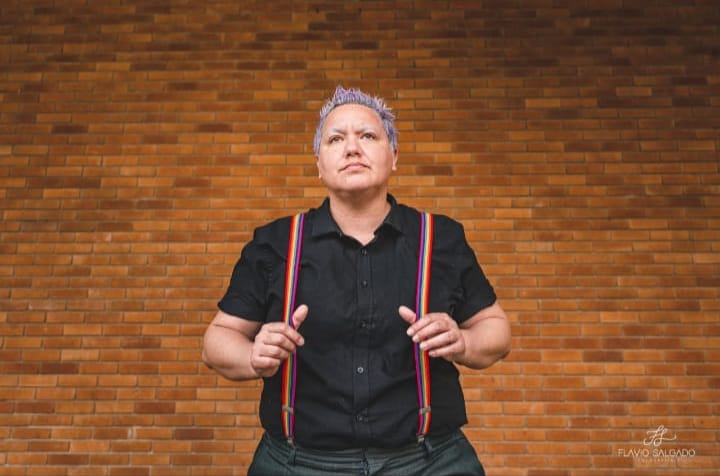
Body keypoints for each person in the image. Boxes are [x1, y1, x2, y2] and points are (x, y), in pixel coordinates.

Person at [202, 86, 512, 476]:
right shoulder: (275, 243)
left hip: (430, 463)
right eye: (336, 139)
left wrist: (464, 341)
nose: (352, 148)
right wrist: (251, 355)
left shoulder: (441, 238)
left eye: (367, 136)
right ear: (319, 164)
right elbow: (216, 341)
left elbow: (496, 331)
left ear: (393, 156)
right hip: (297, 465)